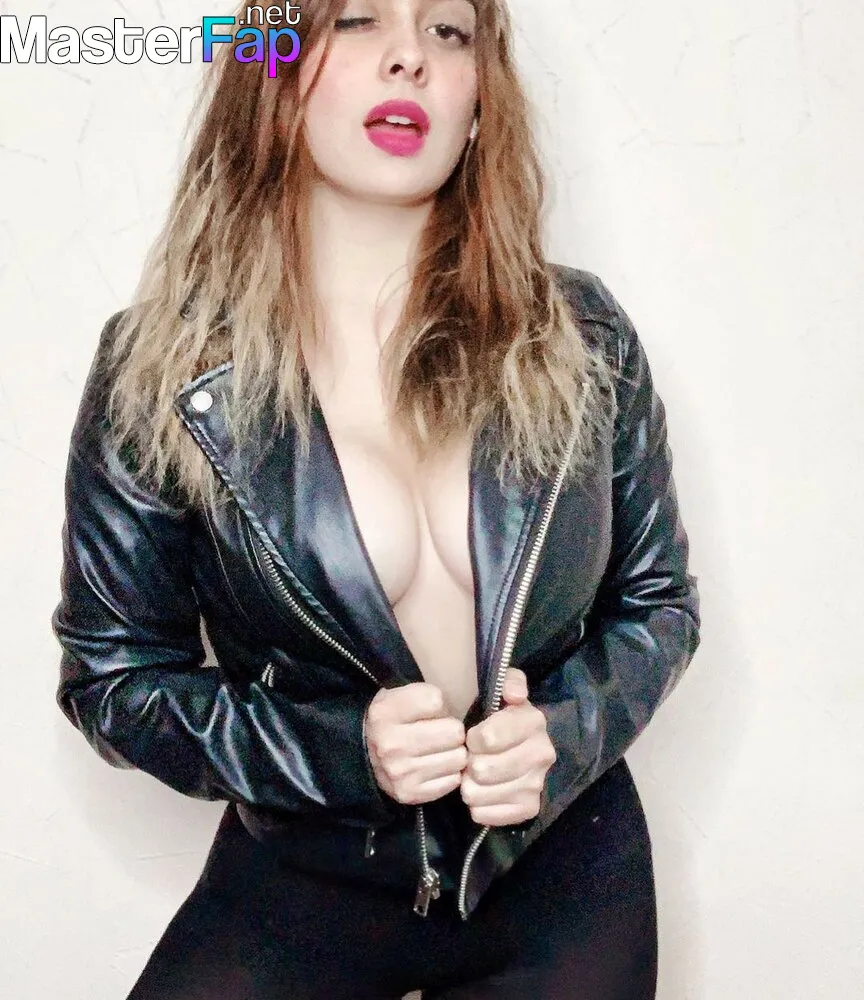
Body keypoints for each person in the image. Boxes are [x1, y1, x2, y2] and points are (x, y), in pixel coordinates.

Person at [51, 1, 701, 997]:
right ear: (273, 75)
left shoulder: (582, 335)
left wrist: (563, 735)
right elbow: (114, 678)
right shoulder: (167, 369)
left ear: (481, 102)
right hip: (301, 882)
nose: (410, 57)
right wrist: (343, 752)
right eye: (357, 20)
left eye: (448, 32)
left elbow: (658, 603)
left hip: (562, 872)